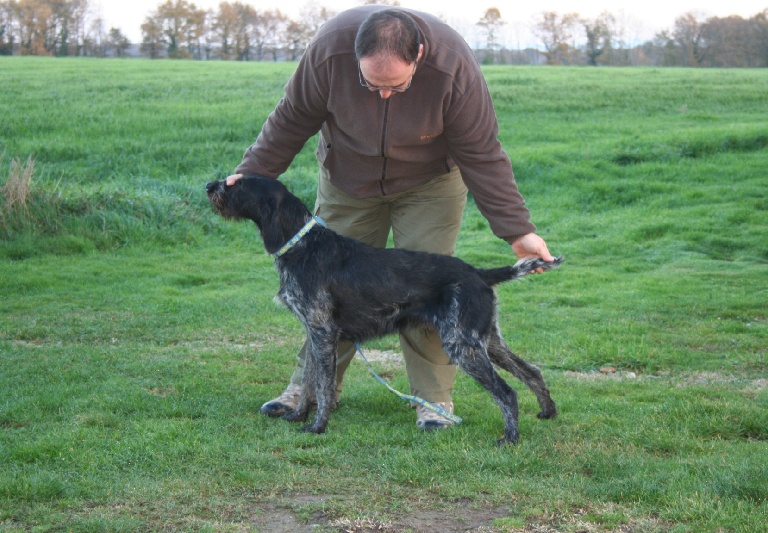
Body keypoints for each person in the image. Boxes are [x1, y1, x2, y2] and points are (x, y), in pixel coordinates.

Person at [227, 6, 555, 431]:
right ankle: (307, 391)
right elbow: (291, 118)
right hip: (348, 178)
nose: (382, 94)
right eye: (370, 83)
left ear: (418, 55)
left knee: (431, 290)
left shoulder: (454, 66)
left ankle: (433, 400)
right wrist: (251, 175)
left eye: (396, 86)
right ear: (354, 56)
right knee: (323, 294)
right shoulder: (328, 50)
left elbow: (482, 153)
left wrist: (517, 230)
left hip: (430, 183)